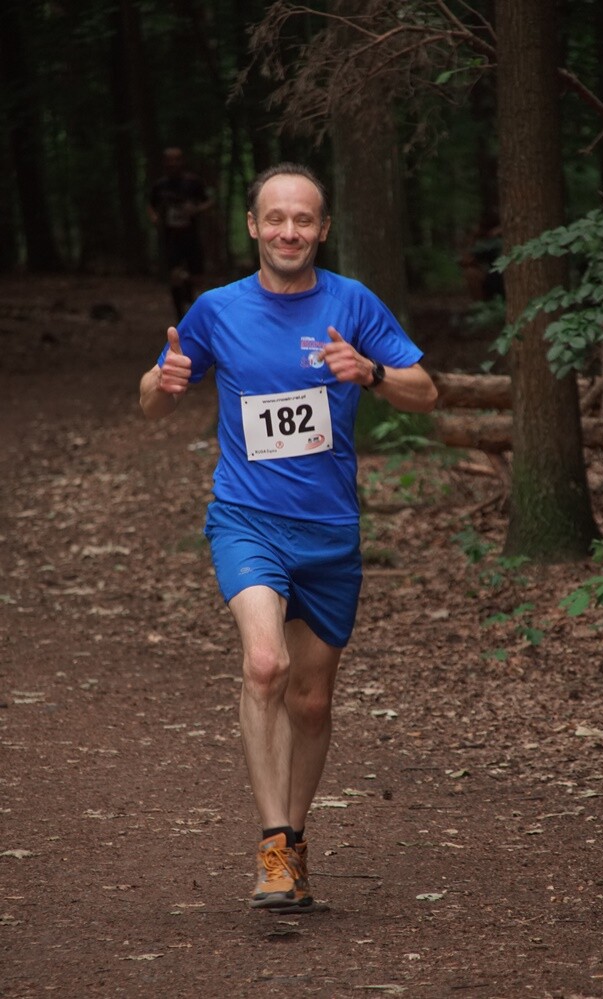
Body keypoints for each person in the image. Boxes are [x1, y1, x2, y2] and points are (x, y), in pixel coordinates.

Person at [139, 163, 438, 912]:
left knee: (310, 700)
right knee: (265, 664)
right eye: (275, 217)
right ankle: (272, 848)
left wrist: (369, 372)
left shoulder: (352, 302)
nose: (288, 231)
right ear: (252, 225)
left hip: (329, 530)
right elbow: (153, 399)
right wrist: (162, 384)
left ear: (323, 229)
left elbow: (425, 392)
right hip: (247, 518)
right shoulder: (216, 309)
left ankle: (296, 843)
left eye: (303, 219)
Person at [148, 147, 214, 320]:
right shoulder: (160, 186)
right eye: (169, 160)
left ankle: (192, 302)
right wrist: (155, 217)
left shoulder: (193, 182)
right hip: (171, 236)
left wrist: (196, 209)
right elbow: (150, 205)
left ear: (182, 161)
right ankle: (180, 315)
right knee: (175, 275)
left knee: (196, 276)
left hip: (191, 235)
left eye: (176, 159)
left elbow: (209, 201)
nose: (173, 164)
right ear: (164, 163)